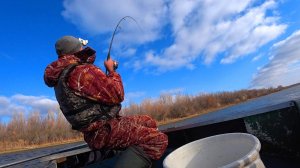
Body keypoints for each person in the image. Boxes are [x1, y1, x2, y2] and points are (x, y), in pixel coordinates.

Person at [44, 36, 168, 167]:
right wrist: (111, 71)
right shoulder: (82, 72)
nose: (83, 47)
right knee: (157, 141)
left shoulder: (62, 76)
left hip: (99, 129)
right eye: (81, 45)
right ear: (76, 49)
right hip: (102, 132)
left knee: (148, 122)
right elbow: (117, 94)